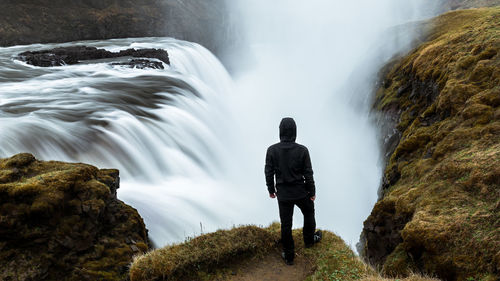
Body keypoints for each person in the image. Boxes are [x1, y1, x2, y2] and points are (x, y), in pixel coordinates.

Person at [265, 117, 322, 266]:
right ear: (295, 131)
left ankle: (289, 256)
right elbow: (308, 174)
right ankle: (309, 240)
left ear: (280, 132)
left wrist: (271, 189)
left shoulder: (272, 150)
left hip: (283, 195)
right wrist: (312, 192)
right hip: (301, 192)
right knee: (309, 212)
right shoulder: (302, 150)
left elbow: (269, 172)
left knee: (286, 224)